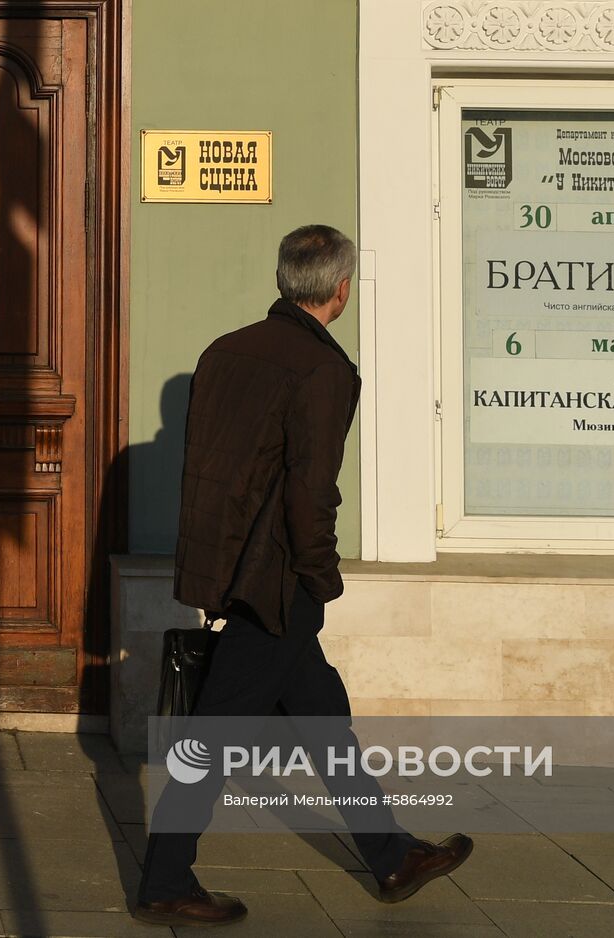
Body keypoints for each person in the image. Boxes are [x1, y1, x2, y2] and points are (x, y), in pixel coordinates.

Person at [132, 225, 474, 927]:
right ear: (341, 289)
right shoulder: (323, 370)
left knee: (321, 719)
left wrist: (211, 573)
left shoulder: (224, 351)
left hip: (229, 569)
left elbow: (207, 472)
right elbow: (310, 492)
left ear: (288, 279)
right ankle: (165, 880)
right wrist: (321, 576)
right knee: (218, 733)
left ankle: (391, 854)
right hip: (278, 580)